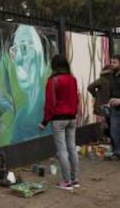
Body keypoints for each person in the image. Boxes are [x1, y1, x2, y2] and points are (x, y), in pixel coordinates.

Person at [39, 54, 79, 190]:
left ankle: (67, 182)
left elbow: (50, 103)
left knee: (62, 150)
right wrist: (74, 113)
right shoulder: (72, 79)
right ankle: (75, 180)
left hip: (59, 120)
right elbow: (76, 99)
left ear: (53, 65)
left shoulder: (53, 81)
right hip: (72, 118)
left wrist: (44, 122)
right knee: (72, 148)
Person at [9, 25, 48, 143]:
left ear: (41, 60)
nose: (18, 59)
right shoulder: (19, 119)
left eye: (25, 48)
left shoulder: (49, 114)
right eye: (15, 50)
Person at [87, 65, 113, 143]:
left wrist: (96, 95)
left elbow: (90, 87)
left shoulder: (102, 79)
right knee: (111, 122)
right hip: (113, 104)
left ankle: (107, 139)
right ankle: (111, 139)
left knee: (106, 122)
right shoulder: (114, 79)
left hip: (103, 106)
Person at [107, 54, 120, 160]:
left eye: (114, 62)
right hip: (114, 108)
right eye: (111, 62)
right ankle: (117, 152)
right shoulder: (112, 76)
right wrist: (110, 100)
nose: (112, 64)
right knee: (114, 130)